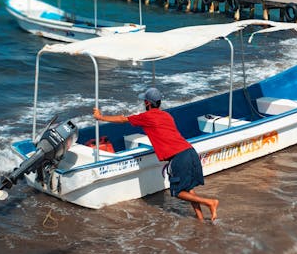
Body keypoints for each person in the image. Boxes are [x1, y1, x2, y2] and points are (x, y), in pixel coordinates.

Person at [93, 87, 219, 221]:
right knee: (188, 188)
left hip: (179, 156)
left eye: (144, 101)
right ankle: (200, 217)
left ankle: (210, 202)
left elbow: (122, 119)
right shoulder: (167, 116)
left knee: (177, 192)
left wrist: (100, 117)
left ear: (147, 103)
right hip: (190, 151)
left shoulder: (147, 117)